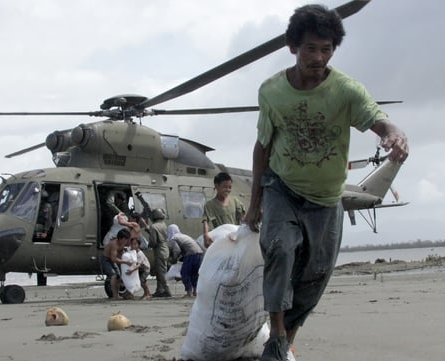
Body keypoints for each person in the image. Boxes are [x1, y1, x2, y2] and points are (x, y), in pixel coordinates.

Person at [243, 5, 409, 361]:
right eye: (310, 48)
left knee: (314, 277)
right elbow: (263, 147)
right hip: (282, 187)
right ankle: (275, 337)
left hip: (327, 197)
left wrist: (395, 134)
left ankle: (285, 341)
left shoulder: (346, 91)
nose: (318, 57)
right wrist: (255, 203)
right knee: (280, 250)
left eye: (326, 49)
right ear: (293, 47)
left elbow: (380, 121)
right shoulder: (272, 91)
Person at [202, 172, 246, 248]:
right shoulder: (210, 205)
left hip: (234, 239)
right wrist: (206, 235)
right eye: (224, 187)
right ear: (216, 186)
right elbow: (206, 221)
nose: (227, 190)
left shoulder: (235, 201)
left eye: (230, 187)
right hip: (221, 240)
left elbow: (242, 219)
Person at [166, 224, 204, 298]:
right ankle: (195, 291)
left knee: (185, 273)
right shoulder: (183, 236)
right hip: (199, 254)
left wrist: (174, 259)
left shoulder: (174, 238)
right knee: (194, 274)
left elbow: (176, 250)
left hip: (191, 254)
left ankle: (189, 292)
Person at [101, 228, 133, 300]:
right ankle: (115, 295)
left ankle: (117, 294)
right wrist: (126, 262)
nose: (127, 241)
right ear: (121, 238)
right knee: (113, 275)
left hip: (112, 260)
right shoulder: (114, 244)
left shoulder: (122, 244)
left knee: (118, 276)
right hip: (106, 260)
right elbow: (114, 259)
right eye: (126, 239)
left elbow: (121, 253)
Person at [147, 208, 171, 298]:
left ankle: (167, 290)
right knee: (161, 270)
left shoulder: (154, 226)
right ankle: (159, 290)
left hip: (159, 250)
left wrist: (148, 245)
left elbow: (153, 241)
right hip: (165, 248)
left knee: (161, 272)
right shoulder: (164, 225)